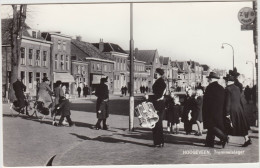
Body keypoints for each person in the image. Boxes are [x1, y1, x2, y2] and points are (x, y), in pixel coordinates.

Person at [223, 73, 251, 147]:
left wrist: (227, 113)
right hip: (239, 109)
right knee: (241, 125)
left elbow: (228, 102)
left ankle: (224, 139)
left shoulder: (227, 89)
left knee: (227, 124)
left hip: (232, 109)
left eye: (226, 80)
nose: (225, 82)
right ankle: (247, 139)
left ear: (228, 81)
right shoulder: (237, 88)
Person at [202, 72, 228, 148]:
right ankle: (209, 143)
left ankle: (224, 137)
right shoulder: (221, 88)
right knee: (212, 127)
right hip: (219, 111)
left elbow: (207, 101)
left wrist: (205, 111)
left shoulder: (209, 88)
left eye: (209, 79)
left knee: (211, 126)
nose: (208, 80)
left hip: (210, 111)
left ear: (211, 79)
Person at [145, 68, 166, 147]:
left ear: (158, 74)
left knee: (156, 123)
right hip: (158, 105)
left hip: (158, 106)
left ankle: (158, 142)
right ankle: (159, 142)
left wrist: (148, 97)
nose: (154, 74)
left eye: (155, 73)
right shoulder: (160, 82)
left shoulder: (160, 83)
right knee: (157, 123)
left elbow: (158, 96)